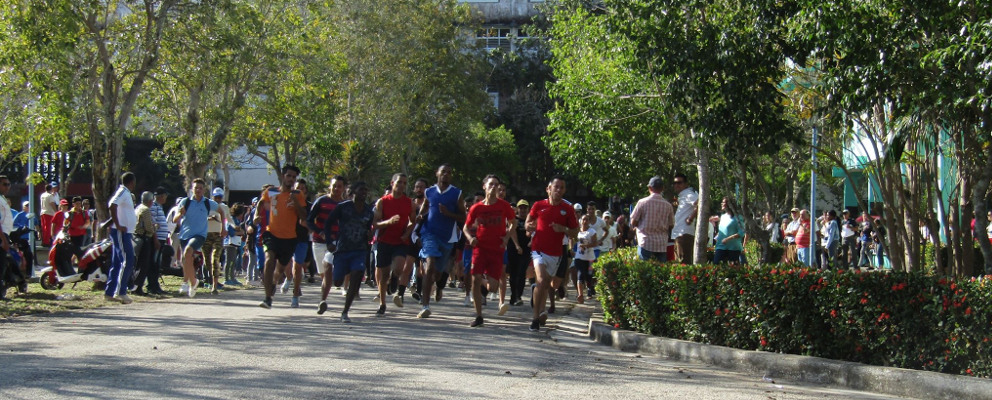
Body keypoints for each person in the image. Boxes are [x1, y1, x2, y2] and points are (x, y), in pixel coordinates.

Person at [525, 175, 579, 332]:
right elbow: (528, 222)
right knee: (542, 280)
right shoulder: (538, 205)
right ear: (548, 189)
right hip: (538, 249)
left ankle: (541, 309)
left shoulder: (567, 209)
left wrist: (563, 229)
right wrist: (529, 226)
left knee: (547, 284)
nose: (559, 190)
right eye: (556, 187)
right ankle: (535, 318)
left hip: (556, 253)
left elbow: (575, 232)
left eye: (562, 187)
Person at [462, 175, 517, 327]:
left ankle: (484, 278)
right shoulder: (476, 207)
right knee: (475, 279)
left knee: (493, 287)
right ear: (484, 186)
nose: (494, 187)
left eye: (496, 185)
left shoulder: (504, 205)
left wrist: (507, 237)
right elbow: (466, 227)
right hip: (480, 248)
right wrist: (470, 238)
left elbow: (513, 222)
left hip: (497, 250)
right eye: (491, 184)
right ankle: (479, 316)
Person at [416, 164, 466, 319]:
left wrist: (448, 213)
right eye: (443, 171)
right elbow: (425, 207)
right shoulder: (429, 191)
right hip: (429, 233)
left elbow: (463, 217)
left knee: (437, 274)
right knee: (430, 265)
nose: (446, 174)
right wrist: (420, 216)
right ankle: (425, 305)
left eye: (449, 172)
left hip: (447, 237)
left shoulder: (457, 193)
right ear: (437, 173)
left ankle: (438, 286)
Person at [321, 181, 374, 322]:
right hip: (343, 249)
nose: (364, 192)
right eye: (361, 189)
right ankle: (342, 270)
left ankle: (345, 312)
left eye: (366, 190)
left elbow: (369, 229)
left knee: (356, 276)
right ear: (354, 192)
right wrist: (329, 242)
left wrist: (369, 235)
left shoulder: (369, 211)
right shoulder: (343, 207)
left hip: (360, 250)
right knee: (337, 282)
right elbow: (328, 223)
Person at [257, 165, 307, 309]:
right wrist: (256, 216)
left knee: (279, 270)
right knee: (269, 260)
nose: (291, 179)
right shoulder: (271, 191)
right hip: (271, 234)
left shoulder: (298, 194)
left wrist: (295, 202)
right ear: (283, 176)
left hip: (289, 238)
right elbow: (261, 202)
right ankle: (267, 298)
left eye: (294, 177)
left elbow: (304, 216)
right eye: (289, 176)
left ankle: (273, 284)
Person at [371, 173, 416, 315]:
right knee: (384, 275)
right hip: (384, 241)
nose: (402, 185)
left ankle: (395, 278)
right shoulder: (382, 201)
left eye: (404, 183)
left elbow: (413, 221)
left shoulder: (409, 203)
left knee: (398, 267)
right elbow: (375, 224)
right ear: (392, 183)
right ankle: (382, 303)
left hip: (400, 241)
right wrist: (388, 222)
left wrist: (407, 233)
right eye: (399, 182)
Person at [308, 176, 347, 312]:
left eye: (339, 186)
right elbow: (309, 220)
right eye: (334, 185)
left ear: (343, 188)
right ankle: (323, 297)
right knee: (323, 274)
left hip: (335, 242)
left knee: (328, 268)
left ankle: (322, 301)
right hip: (318, 242)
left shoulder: (345, 204)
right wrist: (320, 232)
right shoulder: (321, 201)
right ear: (330, 186)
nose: (336, 189)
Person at [174, 179, 217, 297]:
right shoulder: (185, 202)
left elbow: (221, 211)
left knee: (188, 252)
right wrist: (180, 213)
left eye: (200, 188)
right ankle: (190, 282)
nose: (198, 190)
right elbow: (175, 219)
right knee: (186, 259)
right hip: (184, 235)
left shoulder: (208, 203)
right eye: (196, 188)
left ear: (204, 190)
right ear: (192, 189)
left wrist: (223, 228)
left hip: (199, 235)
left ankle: (189, 282)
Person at [106, 172, 137, 304]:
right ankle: (121, 292)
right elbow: (112, 205)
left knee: (117, 262)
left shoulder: (126, 193)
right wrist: (118, 225)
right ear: (132, 182)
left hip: (126, 232)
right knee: (128, 259)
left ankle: (110, 292)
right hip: (121, 232)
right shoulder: (123, 191)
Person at [630, 176, 675, 262]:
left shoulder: (642, 202)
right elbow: (671, 225)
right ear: (662, 188)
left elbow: (633, 221)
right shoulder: (668, 205)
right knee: (661, 268)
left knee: (644, 268)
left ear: (650, 188)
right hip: (661, 243)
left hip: (645, 242)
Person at [204, 187, 233, 294]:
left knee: (215, 258)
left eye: (220, 197)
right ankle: (209, 280)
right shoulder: (206, 205)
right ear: (212, 197)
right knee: (207, 261)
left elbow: (229, 219)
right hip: (206, 234)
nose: (218, 199)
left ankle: (214, 286)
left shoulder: (224, 207)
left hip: (218, 235)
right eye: (216, 197)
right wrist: (209, 218)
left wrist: (235, 227)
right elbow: (200, 218)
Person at [131, 191, 159, 296]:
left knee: (138, 264)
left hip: (136, 237)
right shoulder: (146, 210)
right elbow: (148, 228)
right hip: (144, 238)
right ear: (150, 201)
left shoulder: (138, 208)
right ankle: (138, 287)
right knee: (144, 264)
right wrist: (155, 227)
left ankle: (134, 286)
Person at [670, 173, 698, 264]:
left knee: (684, 263)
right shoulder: (682, 195)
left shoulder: (688, 194)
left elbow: (700, 204)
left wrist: (691, 218)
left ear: (686, 184)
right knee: (679, 263)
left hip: (684, 233)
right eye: (675, 183)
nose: (676, 185)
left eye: (679, 183)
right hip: (679, 233)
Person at [508, 199, 531, 306]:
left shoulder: (530, 220)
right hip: (514, 248)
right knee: (513, 273)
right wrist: (517, 245)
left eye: (524, 208)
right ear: (517, 209)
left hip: (526, 250)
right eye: (521, 208)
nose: (523, 210)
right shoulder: (514, 219)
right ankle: (514, 295)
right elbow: (512, 232)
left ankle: (518, 296)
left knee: (522, 273)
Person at [573, 214, 597, 304]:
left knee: (589, 276)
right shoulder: (577, 231)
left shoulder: (592, 232)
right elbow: (572, 239)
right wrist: (571, 249)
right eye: (583, 219)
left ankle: (590, 289)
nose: (585, 221)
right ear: (581, 221)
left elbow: (595, 243)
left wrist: (586, 245)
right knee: (580, 275)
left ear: (589, 221)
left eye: (587, 220)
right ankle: (580, 295)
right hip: (579, 257)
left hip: (590, 259)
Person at [712, 197, 745, 264]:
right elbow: (722, 231)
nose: (722, 204)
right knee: (716, 265)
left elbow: (741, 233)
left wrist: (727, 239)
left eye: (723, 202)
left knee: (733, 268)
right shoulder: (723, 217)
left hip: (733, 249)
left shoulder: (738, 217)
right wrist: (716, 238)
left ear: (729, 205)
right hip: (720, 247)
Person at [151, 187, 171, 289]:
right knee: (155, 263)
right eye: (165, 196)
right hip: (157, 239)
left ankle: (155, 284)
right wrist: (155, 239)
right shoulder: (154, 206)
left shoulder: (159, 207)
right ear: (161, 196)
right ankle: (153, 285)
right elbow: (153, 223)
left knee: (158, 263)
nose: (166, 198)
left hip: (162, 239)